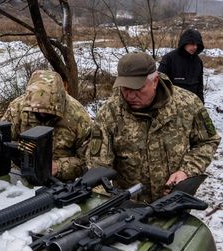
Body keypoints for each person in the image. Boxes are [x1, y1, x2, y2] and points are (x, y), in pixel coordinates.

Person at [87, 52, 220, 203]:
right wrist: (106, 204)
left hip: (175, 203)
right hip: (129, 210)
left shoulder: (188, 104)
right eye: (125, 88)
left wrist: (186, 171)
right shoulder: (109, 113)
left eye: (137, 89)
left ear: (155, 81)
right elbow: (97, 167)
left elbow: (208, 141)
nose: (130, 96)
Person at [2, 69, 92, 182]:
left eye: (47, 110)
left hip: (61, 183)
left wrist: (59, 167)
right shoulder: (17, 108)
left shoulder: (78, 117)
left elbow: (89, 161)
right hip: (21, 178)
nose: (42, 113)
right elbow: (3, 142)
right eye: (37, 111)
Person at [158, 28, 205, 103]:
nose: (195, 47)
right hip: (173, 104)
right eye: (192, 44)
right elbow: (160, 84)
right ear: (184, 43)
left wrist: (201, 103)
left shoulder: (198, 61)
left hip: (193, 104)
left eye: (197, 44)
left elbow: (200, 87)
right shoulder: (169, 58)